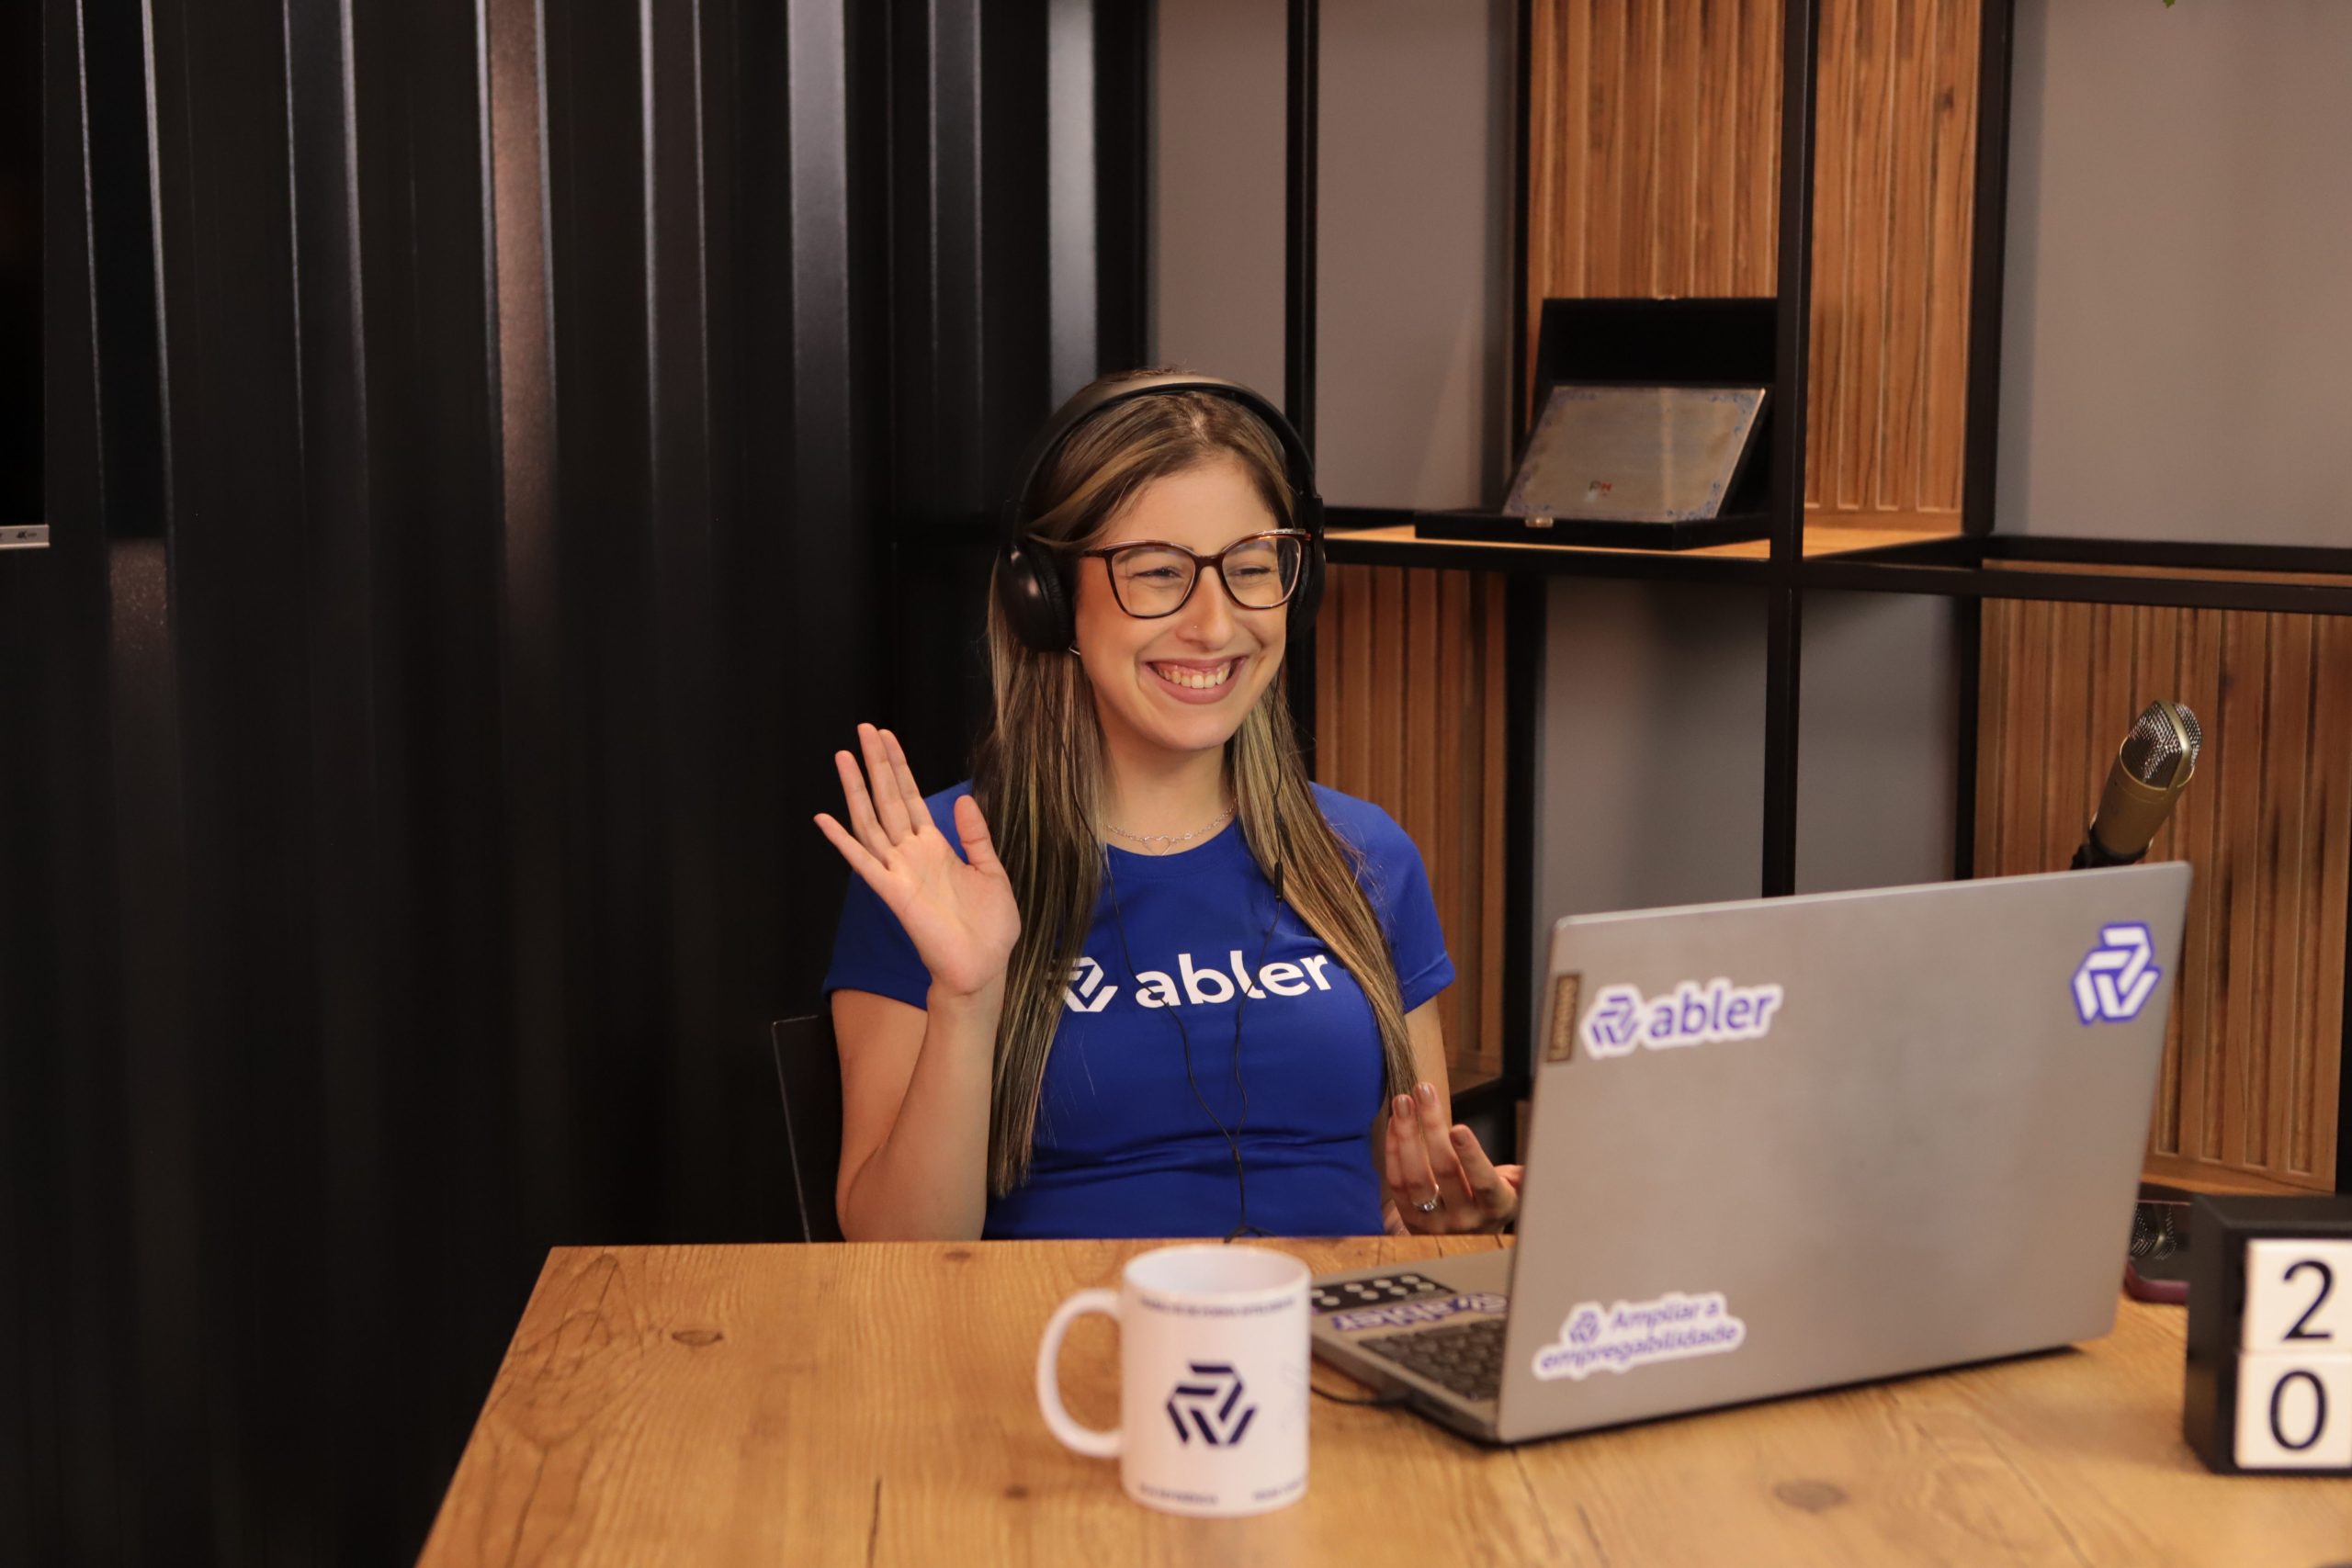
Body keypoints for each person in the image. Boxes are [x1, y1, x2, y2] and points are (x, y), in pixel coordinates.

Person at [815, 369, 1522, 1241]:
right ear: (1046, 597)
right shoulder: (936, 866)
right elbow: (895, 1256)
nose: (1216, 626)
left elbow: (1407, 1206)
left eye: (1251, 569)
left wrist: (1447, 1217)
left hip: (1322, 1354)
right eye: (1158, 574)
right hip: (1047, 1351)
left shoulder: (1364, 855)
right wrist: (966, 996)